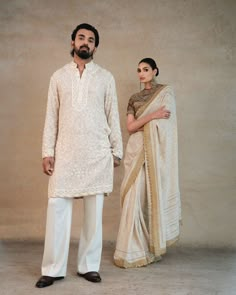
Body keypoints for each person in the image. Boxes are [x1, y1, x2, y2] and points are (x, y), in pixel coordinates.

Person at [35, 23, 123, 288]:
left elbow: (113, 114)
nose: (86, 42)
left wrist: (116, 150)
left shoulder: (106, 77)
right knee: (57, 207)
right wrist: (47, 151)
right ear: (72, 42)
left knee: (94, 213)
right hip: (66, 151)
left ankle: (89, 266)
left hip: (97, 152)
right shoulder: (58, 77)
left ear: (95, 46)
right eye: (81, 38)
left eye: (91, 39)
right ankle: (52, 268)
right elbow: (51, 116)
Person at [113, 58, 181, 268]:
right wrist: (154, 115)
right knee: (133, 198)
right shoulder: (134, 98)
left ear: (155, 71)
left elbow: (167, 127)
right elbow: (131, 127)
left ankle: (148, 247)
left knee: (146, 198)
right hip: (135, 150)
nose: (141, 73)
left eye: (145, 69)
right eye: (139, 70)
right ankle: (131, 250)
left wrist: (152, 119)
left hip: (154, 153)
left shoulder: (165, 93)